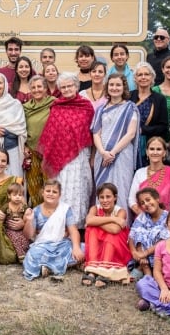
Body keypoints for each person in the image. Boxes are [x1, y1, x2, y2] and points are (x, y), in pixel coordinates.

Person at [38, 72, 94, 231]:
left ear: (76, 86)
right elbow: (51, 133)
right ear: (59, 89)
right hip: (59, 159)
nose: (67, 89)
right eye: (63, 87)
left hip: (79, 157)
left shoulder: (86, 106)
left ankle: (78, 228)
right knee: (62, 189)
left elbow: (91, 133)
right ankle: (61, 226)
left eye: (70, 86)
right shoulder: (56, 106)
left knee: (79, 190)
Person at [91, 73, 139, 212]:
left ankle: (121, 226)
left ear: (124, 87)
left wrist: (112, 152)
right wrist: (102, 152)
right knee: (102, 188)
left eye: (118, 85)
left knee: (121, 187)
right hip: (103, 154)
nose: (114, 88)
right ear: (107, 87)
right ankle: (102, 224)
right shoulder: (101, 109)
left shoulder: (130, 108)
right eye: (111, 84)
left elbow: (130, 133)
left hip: (121, 154)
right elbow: (96, 133)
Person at [22, 179, 84, 281]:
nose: (51, 194)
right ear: (43, 193)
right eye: (48, 191)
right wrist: (29, 221)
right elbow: (29, 235)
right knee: (32, 256)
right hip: (43, 246)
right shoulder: (36, 210)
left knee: (84, 248)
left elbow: (73, 231)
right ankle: (66, 265)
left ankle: (48, 267)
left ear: (59, 195)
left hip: (61, 243)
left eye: (54, 192)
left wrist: (76, 248)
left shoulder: (65, 209)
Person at [83, 183, 132, 287]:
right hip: (99, 245)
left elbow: (115, 229)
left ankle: (104, 269)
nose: (105, 200)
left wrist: (96, 222)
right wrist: (113, 219)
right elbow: (88, 220)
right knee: (92, 229)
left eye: (108, 197)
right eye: (101, 197)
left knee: (108, 234)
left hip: (116, 247)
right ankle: (92, 269)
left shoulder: (121, 211)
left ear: (115, 197)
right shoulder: (95, 208)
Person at [128, 136, 170, 218]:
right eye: (152, 149)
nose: (155, 152)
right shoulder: (139, 173)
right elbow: (131, 200)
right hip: (142, 221)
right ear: (147, 152)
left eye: (159, 149)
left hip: (165, 221)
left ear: (164, 152)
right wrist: (144, 217)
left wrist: (167, 218)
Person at [23, 76, 54, 206]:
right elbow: (21, 128)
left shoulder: (54, 103)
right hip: (31, 151)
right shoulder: (25, 107)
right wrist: (24, 146)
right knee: (34, 185)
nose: (36, 90)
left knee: (50, 185)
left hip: (50, 152)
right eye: (33, 87)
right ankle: (37, 216)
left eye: (39, 87)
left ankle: (51, 215)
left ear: (46, 88)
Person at [129, 63, 167, 168]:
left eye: (146, 74)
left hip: (150, 147)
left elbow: (163, 126)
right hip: (128, 145)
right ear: (135, 78)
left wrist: (143, 130)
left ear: (152, 77)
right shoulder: (128, 96)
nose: (143, 77)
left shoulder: (159, 99)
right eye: (140, 75)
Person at [129, 188, 170, 279]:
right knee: (139, 231)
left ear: (157, 199)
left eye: (148, 200)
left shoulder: (168, 216)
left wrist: (145, 254)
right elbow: (132, 235)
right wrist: (135, 252)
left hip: (161, 256)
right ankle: (146, 270)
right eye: (142, 203)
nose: (146, 204)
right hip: (142, 256)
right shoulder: (142, 217)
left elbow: (164, 241)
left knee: (158, 232)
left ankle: (145, 269)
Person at [1, 181, 32, 261]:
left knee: (25, 238)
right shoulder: (6, 206)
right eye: (15, 195)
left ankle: (29, 252)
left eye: (20, 195)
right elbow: (1, 217)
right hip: (9, 229)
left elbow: (27, 217)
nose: (18, 197)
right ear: (9, 196)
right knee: (15, 238)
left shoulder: (24, 206)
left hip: (21, 229)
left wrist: (28, 212)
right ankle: (21, 256)